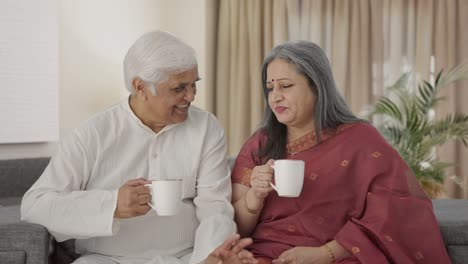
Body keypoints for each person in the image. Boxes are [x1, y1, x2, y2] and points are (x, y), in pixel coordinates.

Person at [21, 30, 256, 264]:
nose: (190, 96)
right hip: (107, 259)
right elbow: (35, 206)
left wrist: (211, 257)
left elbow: (214, 207)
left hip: (188, 257)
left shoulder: (206, 127)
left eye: (194, 85)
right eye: (178, 88)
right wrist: (112, 205)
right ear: (140, 87)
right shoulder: (92, 134)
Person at [231, 41, 451, 264]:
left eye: (285, 86)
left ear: (317, 87)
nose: (275, 96)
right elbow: (233, 226)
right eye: (270, 88)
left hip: (335, 256)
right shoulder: (261, 143)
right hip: (262, 257)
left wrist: (325, 253)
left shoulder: (361, 140)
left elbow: (395, 210)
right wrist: (254, 197)